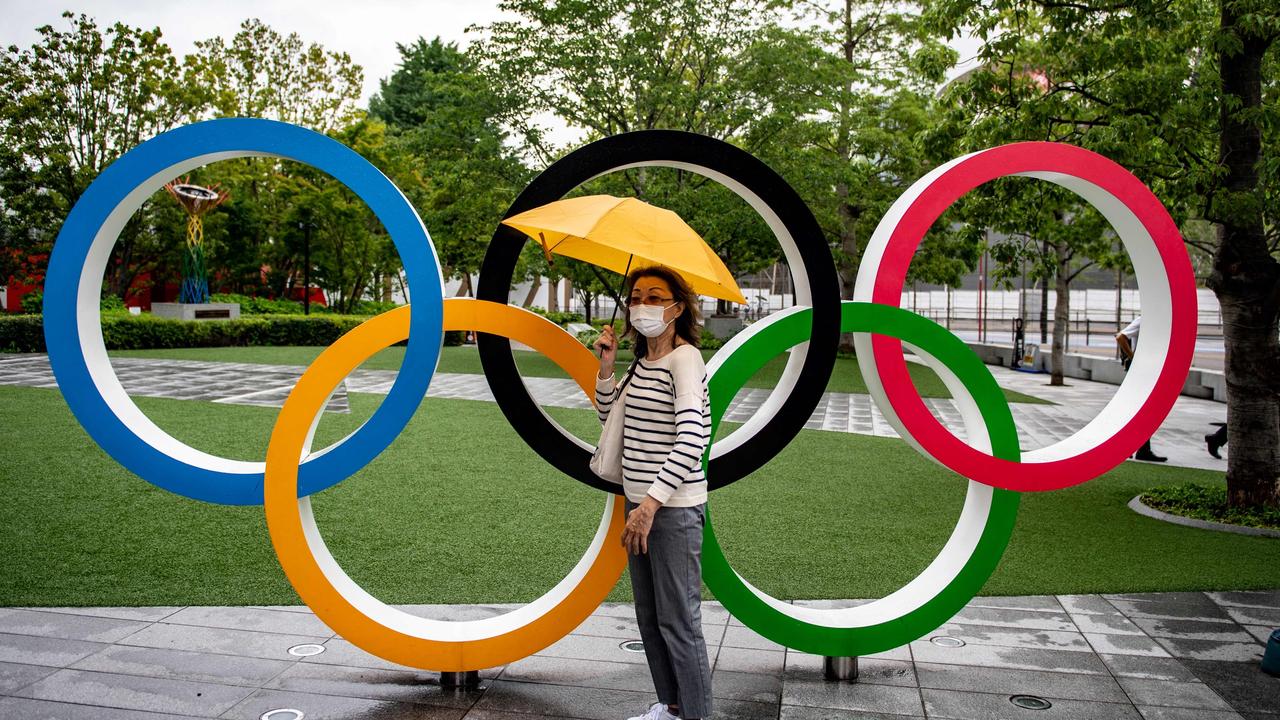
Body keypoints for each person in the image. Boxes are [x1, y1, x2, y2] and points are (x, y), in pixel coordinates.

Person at [593, 265, 713, 720]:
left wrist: (649, 504)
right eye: (637, 297)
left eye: (655, 297)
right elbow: (613, 424)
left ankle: (696, 716)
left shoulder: (685, 359)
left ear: (677, 308)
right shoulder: (643, 361)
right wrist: (607, 369)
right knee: (650, 618)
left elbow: (692, 439)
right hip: (639, 506)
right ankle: (672, 707)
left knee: (679, 623)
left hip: (670, 509)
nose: (642, 305)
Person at [1115, 316, 1167, 462]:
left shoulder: (1159, 321)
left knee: (1144, 409)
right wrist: (1133, 358)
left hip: (1149, 369)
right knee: (1143, 409)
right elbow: (1121, 337)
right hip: (1141, 370)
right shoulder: (1144, 319)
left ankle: (1141, 448)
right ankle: (1134, 447)